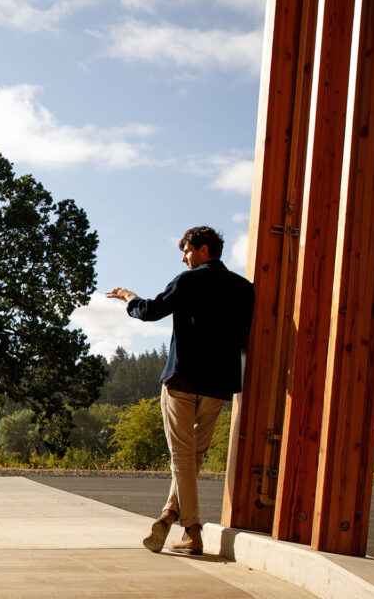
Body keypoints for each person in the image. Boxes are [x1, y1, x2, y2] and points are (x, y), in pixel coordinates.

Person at [107, 226, 254, 555]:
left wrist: (128, 297)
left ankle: (192, 528)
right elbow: (246, 336)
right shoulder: (244, 289)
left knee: (181, 458)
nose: (183, 257)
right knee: (192, 458)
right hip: (218, 386)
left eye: (186, 250)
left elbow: (151, 311)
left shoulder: (188, 281)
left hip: (183, 381)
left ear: (202, 249)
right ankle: (168, 514)